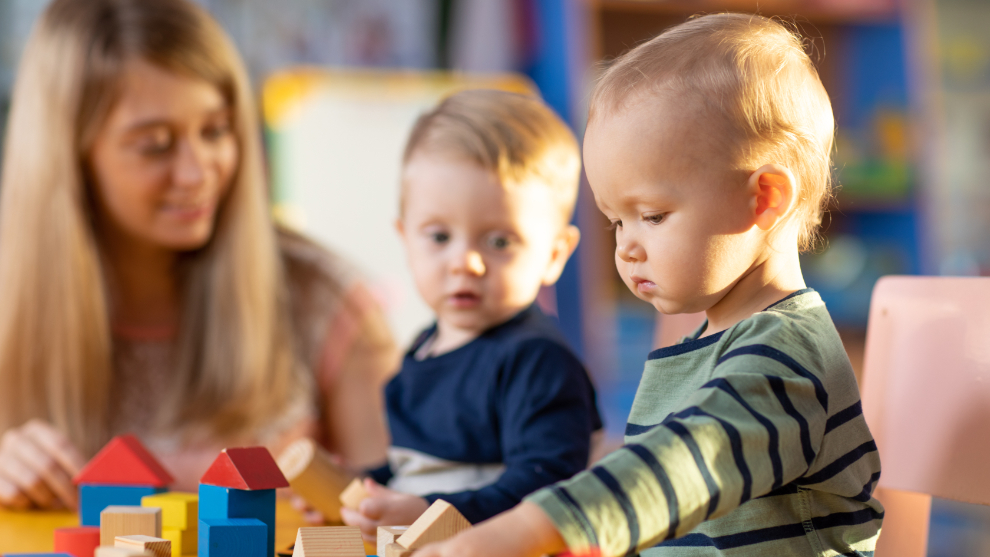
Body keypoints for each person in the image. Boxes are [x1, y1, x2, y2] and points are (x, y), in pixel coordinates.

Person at [417, 14, 883, 557]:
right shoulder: (706, 347)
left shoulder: (787, 357)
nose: (626, 247)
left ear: (765, 199)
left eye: (653, 215)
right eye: (617, 221)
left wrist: (529, 527)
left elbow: (690, 461)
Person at [0, 0, 397, 507]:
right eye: (156, 145)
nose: (197, 173)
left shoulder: (329, 307)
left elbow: (408, 522)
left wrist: (341, 501)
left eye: (215, 130)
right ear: (69, 160)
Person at [340, 89, 602, 540]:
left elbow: (546, 488)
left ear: (555, 254)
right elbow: (417, 466)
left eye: (499, 242)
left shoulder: (537, 363)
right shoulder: (423, 349)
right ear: (405, 239)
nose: (465, 262)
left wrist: (424, 511)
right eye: (440, 237)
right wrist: (363, 487)